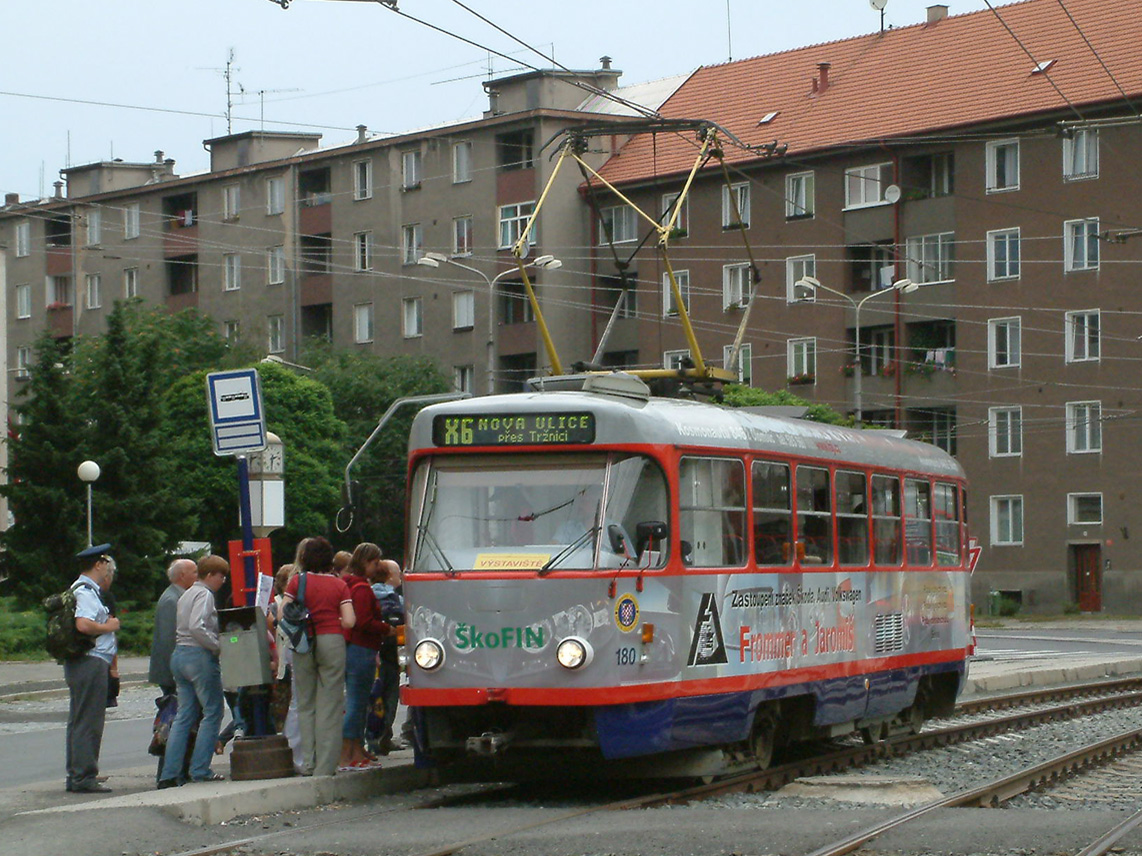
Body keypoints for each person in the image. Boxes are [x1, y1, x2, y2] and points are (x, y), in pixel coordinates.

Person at [284, 536, 355, 777]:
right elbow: (349, 621)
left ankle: (309, 762)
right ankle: (326, 766)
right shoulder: (339, 585)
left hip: (303, 642)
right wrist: (332, 619)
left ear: (304, 558)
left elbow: (284, 611)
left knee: (305, 703)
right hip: (332, 641)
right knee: (330, 705)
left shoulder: (296, 582)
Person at [157, 555, 230, 788]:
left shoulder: (186, 593)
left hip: (179, 655)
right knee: (213, 711)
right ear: (210, 575)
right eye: (221, 576)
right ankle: (200, 769)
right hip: (199, 656)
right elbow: (196, 626)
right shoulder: (205, 594)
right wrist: (217, 646)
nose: (223, 581)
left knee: (184, 715)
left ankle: (170, 773)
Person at [65, 544, 119, 794]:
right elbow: (84, 625)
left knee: (80, 720)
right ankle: (84, 776)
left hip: (87, 660)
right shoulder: (86, 591)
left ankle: (78, 773)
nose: (107, 566)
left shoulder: (84, 589)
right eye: (105, 562)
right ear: (98, 565)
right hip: (91, 660)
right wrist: (110, 626)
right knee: (89, 721)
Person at [340, 543, 392, 769]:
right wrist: (385, 628)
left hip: (354, 647)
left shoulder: (349, 585)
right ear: (364, 562)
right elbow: (363, 622)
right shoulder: (361, 589)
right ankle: (347, 751)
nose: (376, 567)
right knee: (357, 702)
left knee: (358, 701)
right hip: (362, 648)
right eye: (374, 562)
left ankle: (356, 747)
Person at [368, 559, 405, 755]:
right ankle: (383, 738)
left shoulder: (367, 595)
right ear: (390, 575)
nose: (401, 576)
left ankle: (375, 739)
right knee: (390, 697)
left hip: (373, 654)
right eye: (398, 572)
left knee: (374, 699)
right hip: (391, 655)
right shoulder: (396, 600)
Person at [149, 559, 197, 696]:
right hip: (172, 673)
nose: (197, 576)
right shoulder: (172, 600)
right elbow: (169, 639)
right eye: (194, 572)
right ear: (182, 575)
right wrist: (180, 672)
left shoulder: (180, 596)